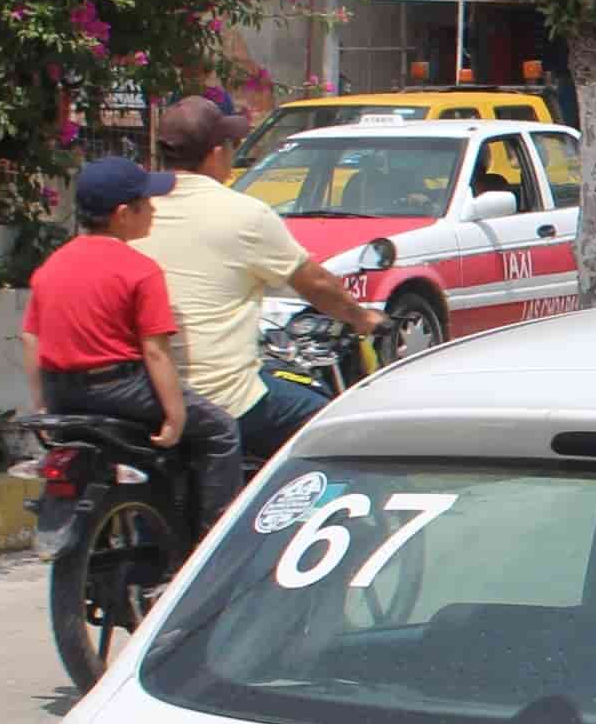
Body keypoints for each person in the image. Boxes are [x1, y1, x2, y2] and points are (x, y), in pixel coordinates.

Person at [136, 99, 384, 459]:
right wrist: (362, 318)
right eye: (232, 147)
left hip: (143, 392)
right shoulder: (243, 213)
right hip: (222, 396)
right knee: (328, 426)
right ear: (217, 153)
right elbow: (314, 283)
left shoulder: (136, 210)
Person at [23, 159, 243, 526]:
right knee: (221, 430)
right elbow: (156, 353)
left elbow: (31, 338)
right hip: (121, 389)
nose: (154, 209)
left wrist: (44, 403)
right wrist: (175, 415)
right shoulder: (140, 269)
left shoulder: (52, 267)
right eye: (147, 202)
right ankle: (216, 551)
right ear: (124, 214)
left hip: (63, 393)